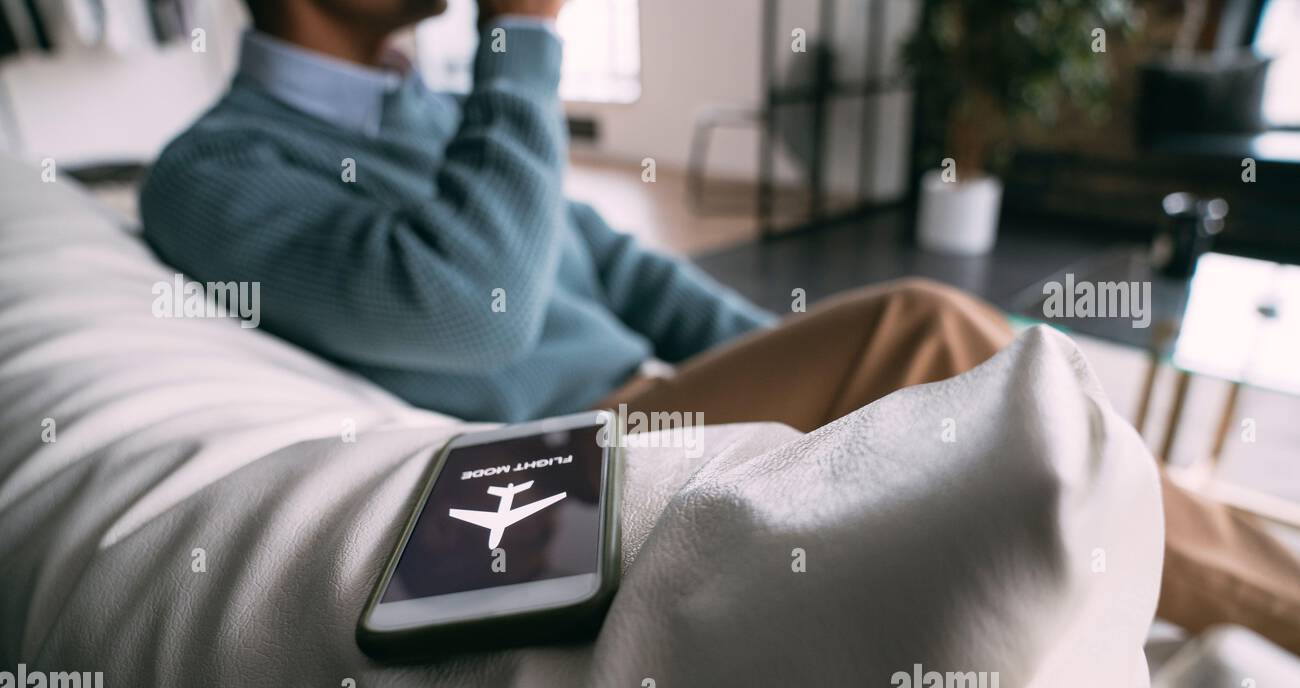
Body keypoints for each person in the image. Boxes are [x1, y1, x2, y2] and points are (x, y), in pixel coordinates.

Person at [140, 0, 1300, 651]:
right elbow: (473, 314)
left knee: (920, 362)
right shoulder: (211, 171)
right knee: (927, 327)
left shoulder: (438, 112)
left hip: (648, 397)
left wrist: (836, 372)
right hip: (547, 464)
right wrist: (522, 41)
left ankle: (1216, 547)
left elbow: (627, 271)